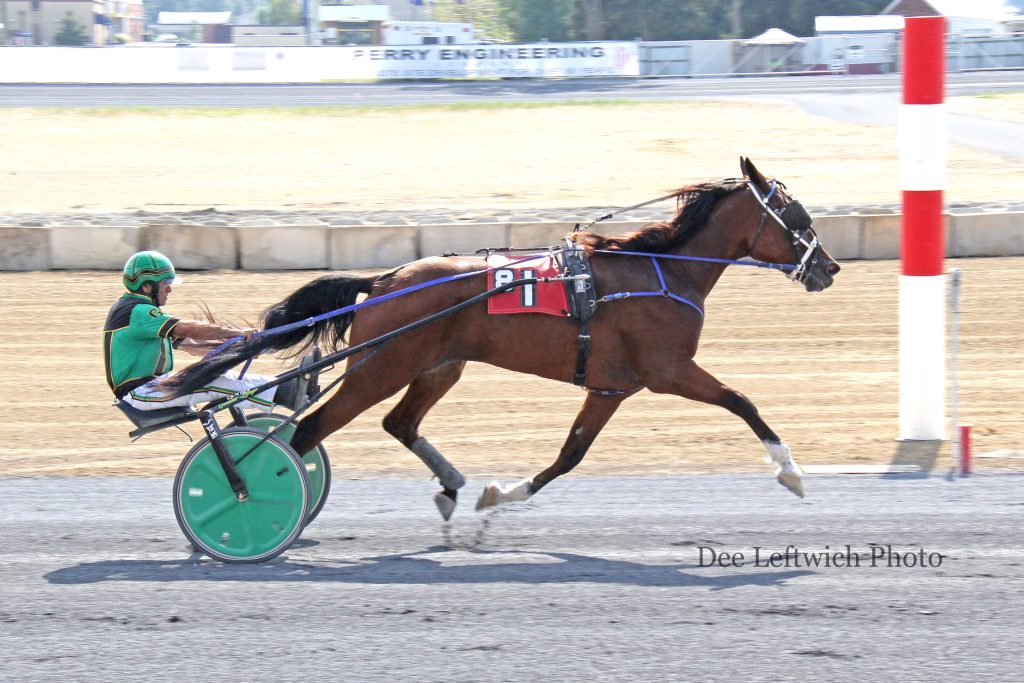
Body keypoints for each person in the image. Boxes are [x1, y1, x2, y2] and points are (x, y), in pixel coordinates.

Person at [104, 250, 314, 413]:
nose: (169, 289)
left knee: (222, 374)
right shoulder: (137, 312)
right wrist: (236, 333)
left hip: (152, 385)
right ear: (147, 287)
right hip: (140, 393)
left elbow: (193, 346)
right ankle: (285, 393)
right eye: (165, 284)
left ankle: (286, 387)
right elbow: (189, 329)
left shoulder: (141, 315)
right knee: (216, 384)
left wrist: (241, 349)